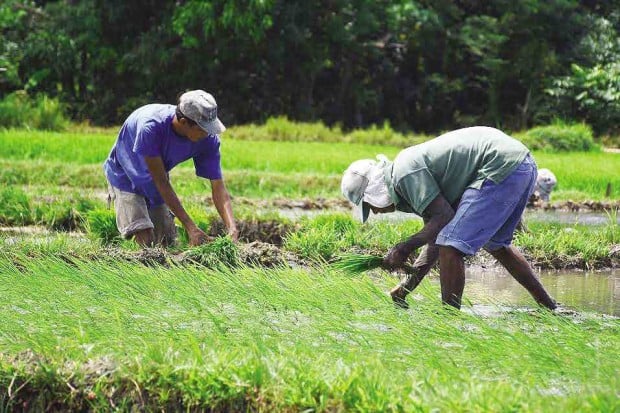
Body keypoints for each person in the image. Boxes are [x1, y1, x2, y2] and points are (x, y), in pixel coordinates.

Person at [340, 126, 557, 310]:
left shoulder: (404, 174)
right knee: (497, 245)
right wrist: (405, 289)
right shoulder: (405, 180)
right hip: (520, 165)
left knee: (451, 248)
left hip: (501, 165)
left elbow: (444, 220)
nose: (376, 212)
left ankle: (450, 320)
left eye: (370, 206)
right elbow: (435, 237)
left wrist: (402, 248)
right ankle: (550, 307)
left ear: (375, 191)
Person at [104, 90, 238, 247]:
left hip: (155, 180)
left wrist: (232, 229)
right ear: (183, 122)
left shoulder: (208, 139)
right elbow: (161, 182)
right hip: (124, 174)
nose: (207, 133)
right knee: (146, 237)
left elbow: (218, 186)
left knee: (167, 242)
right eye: (202, 128)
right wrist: (191, 228)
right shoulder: (151, 128)